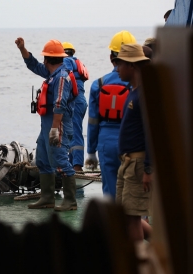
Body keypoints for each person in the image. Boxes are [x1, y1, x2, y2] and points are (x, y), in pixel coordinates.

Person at [15, 38, 78, 211]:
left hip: (57, 126)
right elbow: (33, 65)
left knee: (61, 161)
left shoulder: (62, 77)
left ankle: (70, 201)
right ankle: (47, 198)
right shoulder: (52, 74)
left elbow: (60, 104)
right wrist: (23, 49)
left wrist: (54, 130)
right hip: (47, 125)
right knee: (42, 160)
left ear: (47, 59)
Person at [86, 30, 136, 199]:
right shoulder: (137, 85)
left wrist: (91, 152)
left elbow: (93, 121)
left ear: (111, 57)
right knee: (133, 192)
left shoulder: (98, 84)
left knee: (110, 191)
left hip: (106, 142)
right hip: (131, 142)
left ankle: (113, 223)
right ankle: (138, 224)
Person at [113, 43, 151, 242]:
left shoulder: (144, 94)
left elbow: (151, 133)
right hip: (126, 163)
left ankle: (139, 263)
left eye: (120, 64)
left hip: (137, 164)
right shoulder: (133, 91)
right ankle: (160, 243)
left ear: (132, 66)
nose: (117, 68)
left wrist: (148, 169)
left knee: (132, 217)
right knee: (125, 214)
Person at [62, 42, 89, 172]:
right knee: (72, 132)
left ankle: (77, 166)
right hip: (80, 101)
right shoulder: (76, 61)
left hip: (75, 101)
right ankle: (73, 163)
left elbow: (65, 78)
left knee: (75, 133)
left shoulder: (66, 61)